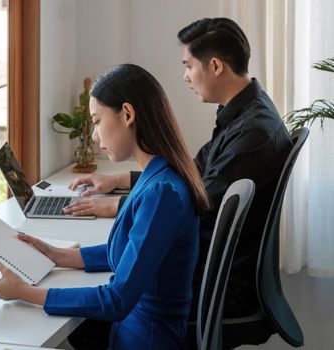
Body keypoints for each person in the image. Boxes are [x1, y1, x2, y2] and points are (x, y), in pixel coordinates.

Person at [65, 18, 292, 347]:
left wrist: (120, 206)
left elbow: (197, 204)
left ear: (214, 65)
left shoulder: (252, 132)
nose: (185, 76)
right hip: (216, 271)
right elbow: (193, 174)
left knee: (89, 324)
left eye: (188, 66)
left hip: (221, 286)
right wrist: (118, 179)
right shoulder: (244, 114)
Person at [0, 63, 210, 349]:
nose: (94, 136)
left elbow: (117, 300)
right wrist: (57, 255)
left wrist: (25, 292)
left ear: (128, 114)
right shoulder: (159, 176)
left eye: (98, 121)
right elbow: (133, 253)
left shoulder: (161, 193)